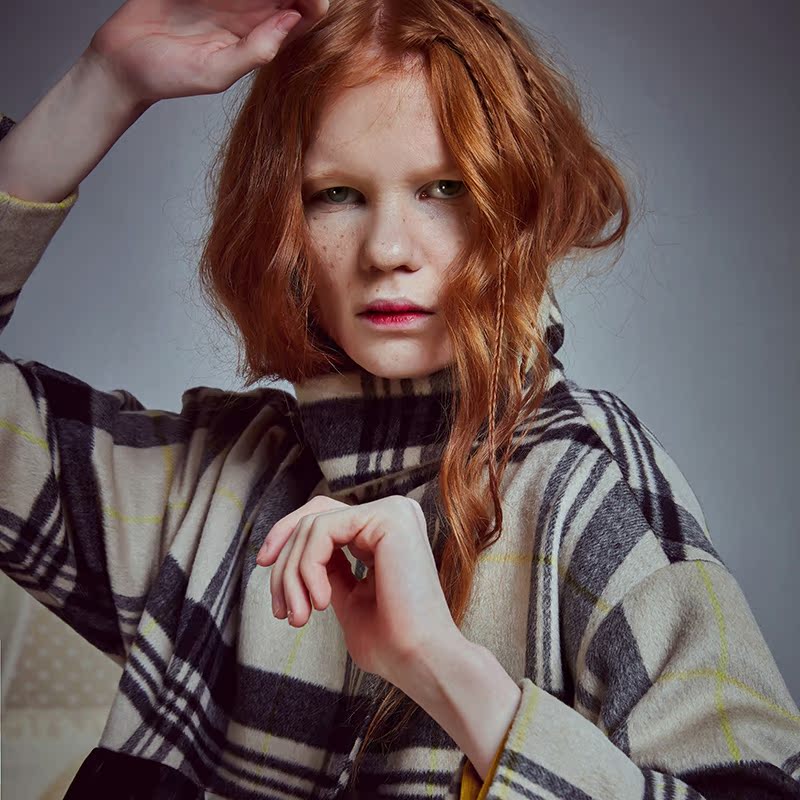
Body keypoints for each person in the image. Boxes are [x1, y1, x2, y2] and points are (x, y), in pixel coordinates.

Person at [1, 0, 798, 798]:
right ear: (282, 222)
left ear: (519, 207)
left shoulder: (586, 488)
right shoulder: (213, 484)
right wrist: (100, 86)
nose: (387, 250)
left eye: (444, 188)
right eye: (337, 194)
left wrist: (448, 674)